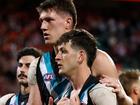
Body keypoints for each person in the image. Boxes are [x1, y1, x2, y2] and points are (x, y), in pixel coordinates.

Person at [27, 0, 132, 105]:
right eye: (42, 21)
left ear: (68, 22)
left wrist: (124, 99)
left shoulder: (99, 59)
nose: (43, 27)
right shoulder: (38, 66)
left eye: (49, 20)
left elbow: (120, 100)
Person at [55, 29, 117, 105]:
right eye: (58, 52)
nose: (57, 57)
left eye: (63, 51)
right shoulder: (65, 95)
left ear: (80, 56)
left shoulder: (101, 92)